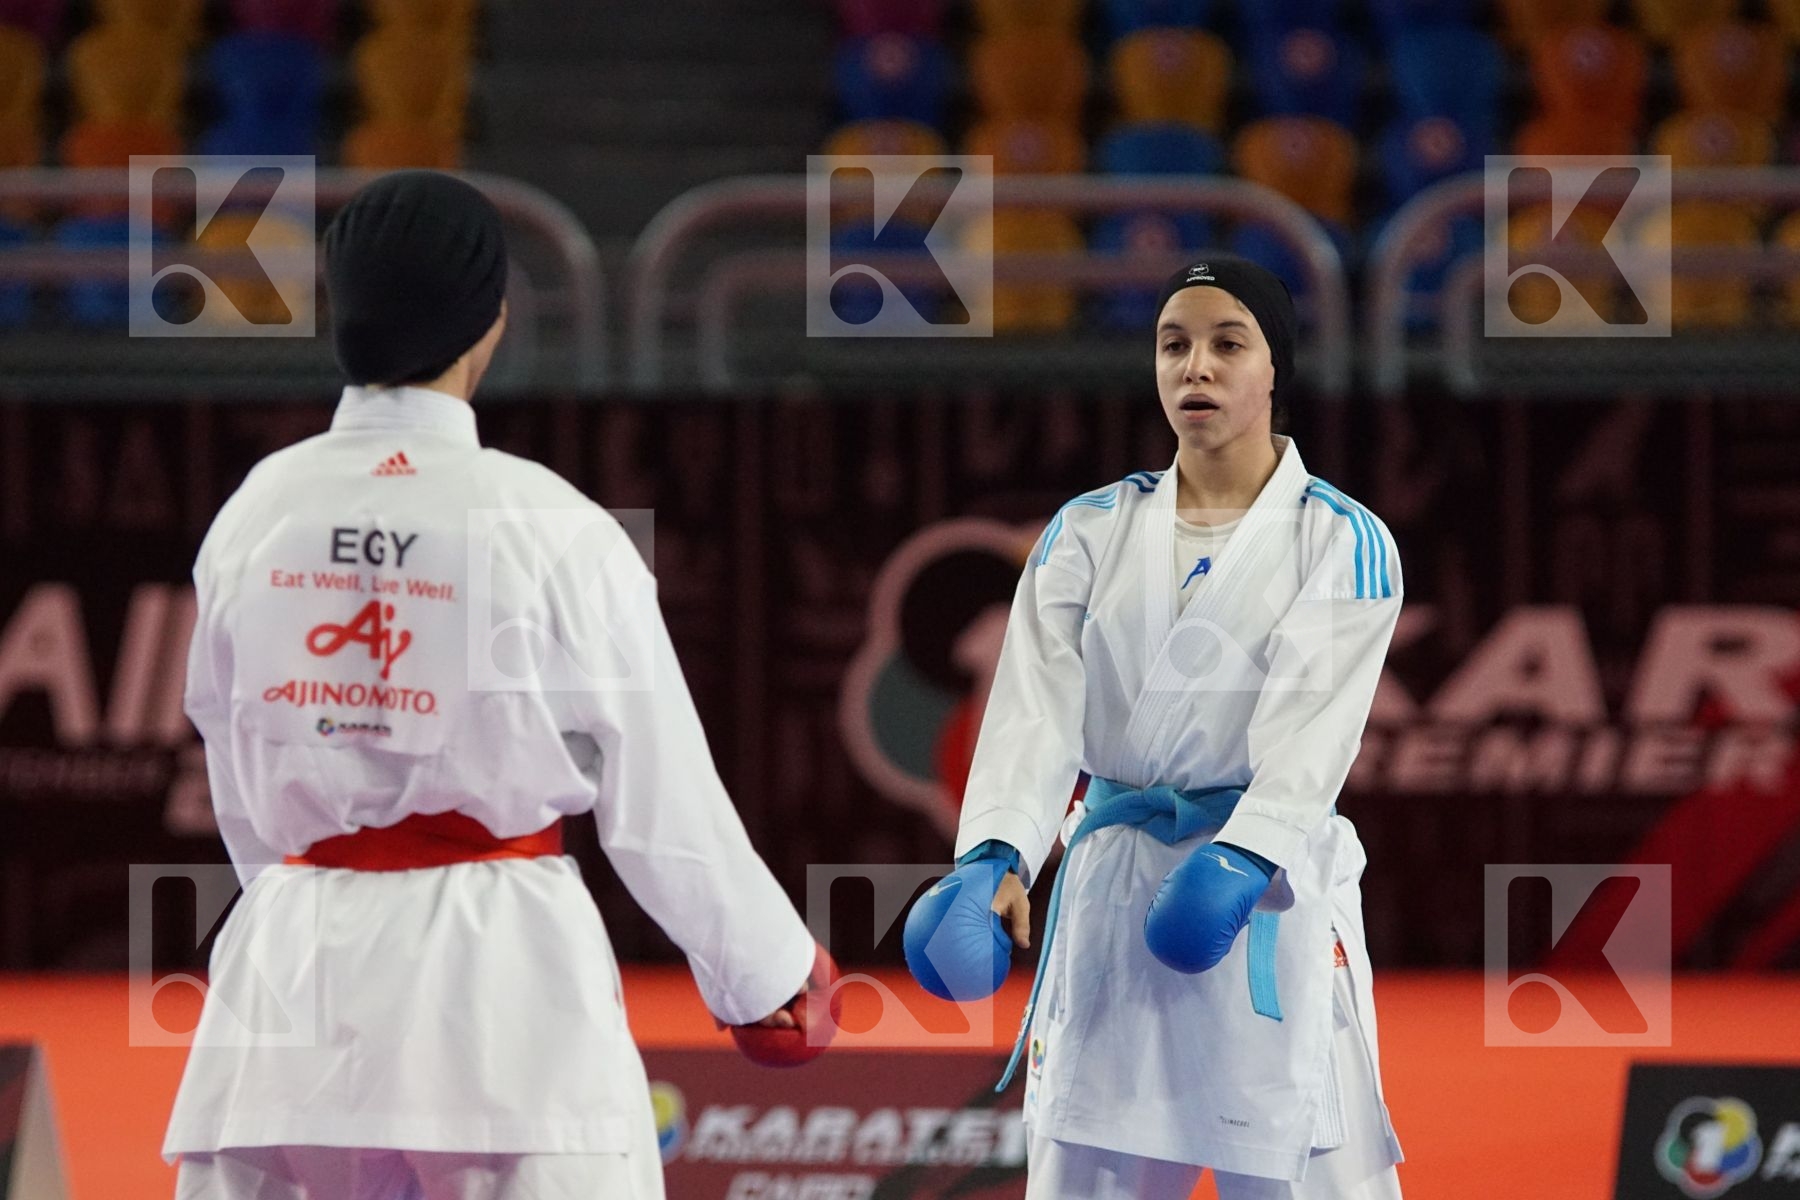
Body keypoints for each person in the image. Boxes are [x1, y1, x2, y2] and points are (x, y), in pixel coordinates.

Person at [165, 170, 828, 1200]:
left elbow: (230, 761)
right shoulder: (549, 521)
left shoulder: (255, 513)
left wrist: (316, 895)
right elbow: (657, 794)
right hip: (505, 1003)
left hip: (287, 1001)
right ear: (491, 321)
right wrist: (765, 975)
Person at [936, 257, 1405, 1198]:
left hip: (1262, 898)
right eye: (1175, 344)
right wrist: (997, 852)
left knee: (1301, 1164)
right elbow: (1032, 711)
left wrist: (1246, 854)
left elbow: (1316, 735)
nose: (1198, 367)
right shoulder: (1088, 530)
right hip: (1113, 893)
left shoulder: (1341, 538)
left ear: (1276, 370)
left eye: (1229, 345)